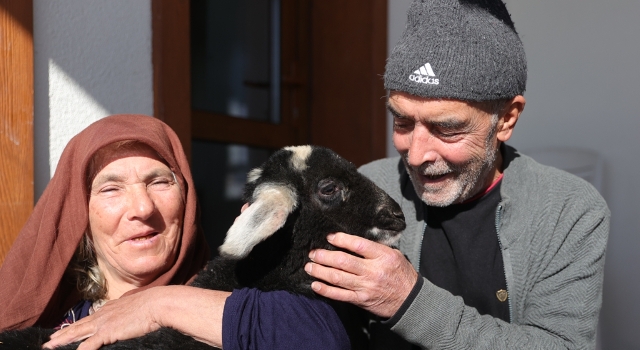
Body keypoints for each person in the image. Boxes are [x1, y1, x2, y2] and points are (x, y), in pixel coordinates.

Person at [303, 0, 610, 349]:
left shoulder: (566, 210)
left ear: (506, 118)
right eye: (402, 122)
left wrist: (409, 301)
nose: (417, 156)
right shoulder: (373, 186)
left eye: (447, 129)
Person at [0, 115, 350, 350]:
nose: (143, 208)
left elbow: (323, 338)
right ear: (81, 215)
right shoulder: (61, 330)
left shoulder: (230, 300)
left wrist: (159, 304)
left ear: (187, 198)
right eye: (111, 189)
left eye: (159, 182)